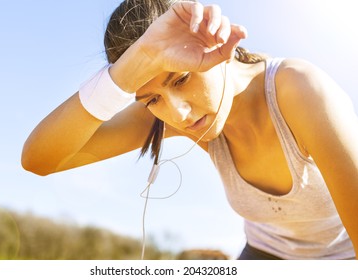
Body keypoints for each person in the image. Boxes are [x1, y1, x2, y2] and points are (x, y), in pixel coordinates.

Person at [21, 0, 358, 259]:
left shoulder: (299, 89)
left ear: (215, 43)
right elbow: (40, 159)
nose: (177, 113)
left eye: (181, 79)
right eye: (151, 98)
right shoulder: (168, 114)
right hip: (266, 254)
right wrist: (122, 77)